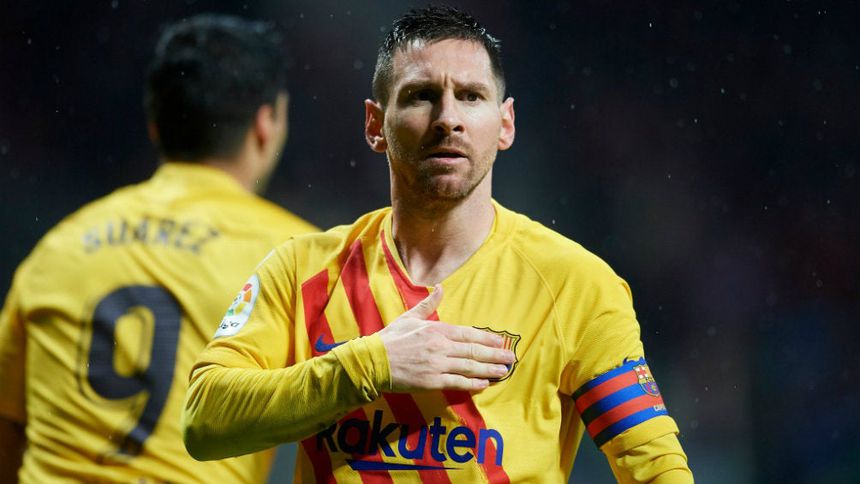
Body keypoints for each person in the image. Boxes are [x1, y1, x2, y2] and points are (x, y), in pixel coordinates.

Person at [183, 6, 693, 483]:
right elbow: (204, 419)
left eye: (470, 96)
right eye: (421, 95)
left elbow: (655, 467)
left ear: (505, 124)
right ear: (374, 125)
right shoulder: (303, 270)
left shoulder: (575, 285)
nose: (448, 117)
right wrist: (370, 365)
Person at [0, 14, 317, 483]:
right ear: (265, 123)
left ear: (155, 124)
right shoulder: (304, 258)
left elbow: (8, 427)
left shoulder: (58, 248)